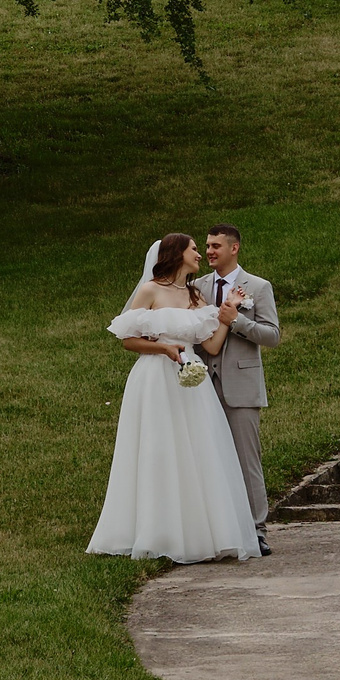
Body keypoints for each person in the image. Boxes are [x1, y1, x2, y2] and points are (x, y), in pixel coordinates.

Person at [86, 233, 260, 564]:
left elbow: (211, 346)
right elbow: (128, 340)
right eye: (194, 249)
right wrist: (164, 349)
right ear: (177, 253)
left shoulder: (195, 295)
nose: (200, 255)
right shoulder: (150, 290)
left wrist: (227, 316)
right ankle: (156, 531)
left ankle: (199, 533)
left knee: (198, 450)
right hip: (155, 377)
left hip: (192, 380)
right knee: (158, 448)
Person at [195, 224, 279, 555]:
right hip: (202, 387)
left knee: (247, 461)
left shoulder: (258, 286)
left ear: (234, 248)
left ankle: (257, 530)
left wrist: (237, 320)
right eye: (207, 246)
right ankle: (219, 530)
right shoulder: (197, 287)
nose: (209, 251)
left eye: (215, 246)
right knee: (209, 460)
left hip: (241, 387)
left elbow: (272, 335)